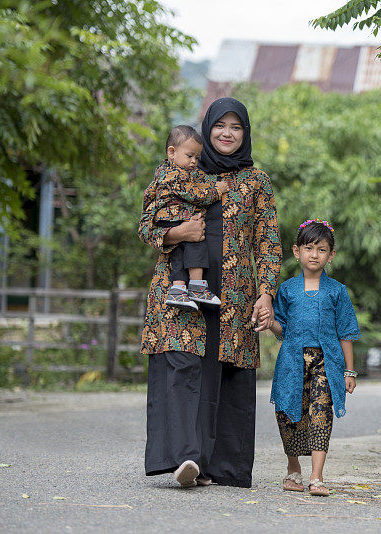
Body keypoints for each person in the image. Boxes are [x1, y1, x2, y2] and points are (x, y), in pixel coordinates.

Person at [138, 97, 282, 488]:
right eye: (221, 125)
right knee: (183, 363)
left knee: (225, 371)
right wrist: (177, 233)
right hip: (181, 284)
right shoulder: (183, 167)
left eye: (236, 127)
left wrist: (267, 293)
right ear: (208, 128)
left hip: (234, 292)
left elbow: (268, 241)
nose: (227, 133)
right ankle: (186, 457)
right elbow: (148, 223)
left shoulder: (257, 182)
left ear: (245, 133)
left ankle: (216, 465)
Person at [266, 219, 360, 496]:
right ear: (297, 251)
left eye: (321, 249)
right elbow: (281, 327)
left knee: (321, 414)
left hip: (326, 364)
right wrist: (270, 321)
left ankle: (316, 477)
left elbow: (346, 332)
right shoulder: (286, 290)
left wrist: (349, 372)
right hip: (291, 361)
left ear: (331, 255)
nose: (314, 254)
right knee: (287, 413)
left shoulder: (337, 291)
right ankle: (292, 469)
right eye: (309, 248)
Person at [148, 125, 227, 310]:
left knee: (178, 253)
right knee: (196, 242)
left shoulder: (164, 173)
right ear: (172, 152)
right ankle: (197, 286)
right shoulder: (178, 176)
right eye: (190, 156)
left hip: (168, 219)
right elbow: (197, 196)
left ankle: (178, 289)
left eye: (197, 158)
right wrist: (217, 190)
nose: (194, 162)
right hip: (177, 218)